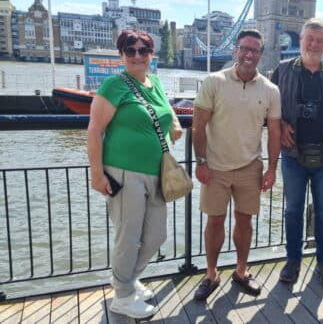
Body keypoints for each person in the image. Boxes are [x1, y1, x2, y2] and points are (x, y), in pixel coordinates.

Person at [87, 29, 183, 319]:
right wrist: (96, 173)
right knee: (128, 236)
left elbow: (164, 112)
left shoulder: (154, 83)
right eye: (131, 50)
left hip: (156, 172)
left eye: (144, 50)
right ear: (122, 55)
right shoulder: (114, 85)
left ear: (152, 55)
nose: (138, 55)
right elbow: (94, 129)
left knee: (156, 235)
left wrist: (175, 124)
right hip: (124, 171)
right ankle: (123, 296)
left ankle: (125, 280)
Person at [192, 29, 281, 301]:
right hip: (215, 167)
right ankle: (211, 274)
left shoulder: (270, 90)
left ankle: (241, 272)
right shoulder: (213, 81)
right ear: (235, 50)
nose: (248, 54)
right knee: (215, 221)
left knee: (245, 222)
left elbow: (275, 132)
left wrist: (272, 168)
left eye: (254, 50)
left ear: (260, 55)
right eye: (244, 48)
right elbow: (198, 125)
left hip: (249, 167)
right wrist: (201, 162)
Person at [271, 18, 323, 286]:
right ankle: (293, 261)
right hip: (293, 155)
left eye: (320, 41)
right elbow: (268, 111)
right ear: (301, 39)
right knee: (293, 211)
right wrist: (281, 123)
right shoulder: (281, 71)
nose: (314, 45)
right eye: (310, 39)